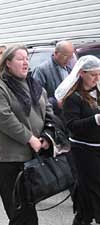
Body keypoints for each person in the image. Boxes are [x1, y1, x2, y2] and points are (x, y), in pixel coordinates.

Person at [0, 44, 54, 225]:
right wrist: (29, 138)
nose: (25, 62)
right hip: (9, 159)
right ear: (7, 63)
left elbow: (48, 110)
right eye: (20, 59)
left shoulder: (33, 83)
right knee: (19, 213)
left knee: (28, 211)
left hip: (32, 157)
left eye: (26, 59)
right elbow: (3, 117)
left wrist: (47, 137)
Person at [55, 55, 100, 225]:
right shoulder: (73, 97)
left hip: (98, 148)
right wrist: (95, 120)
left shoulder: (98, 91)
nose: (97, 78)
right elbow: (72, 125)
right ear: (81, 73)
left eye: (99, 74)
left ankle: (84, 217)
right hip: (84, 153)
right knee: (90, 192)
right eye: (93, 75)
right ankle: (83, 218)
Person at [32, 40, 74, 118]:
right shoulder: (41, 70)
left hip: (69, 115)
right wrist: (55, 103)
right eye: (65, 56)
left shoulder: (69, 68)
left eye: (71, 57)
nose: (68, 60)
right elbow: (36, 97)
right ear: (56, 53)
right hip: (54, 116)